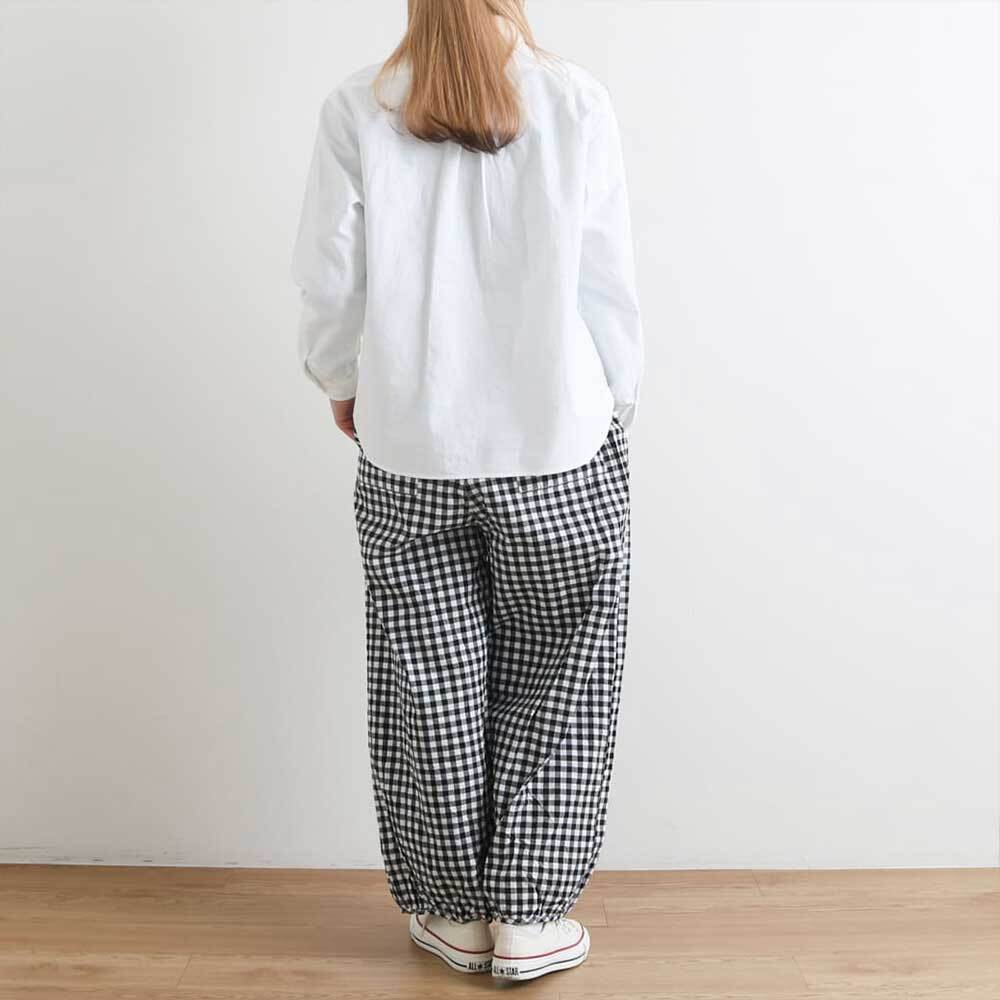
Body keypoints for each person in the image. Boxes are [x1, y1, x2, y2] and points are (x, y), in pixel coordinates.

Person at [291, 0, 642, 983]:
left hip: (411, 448)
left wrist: (340, 380)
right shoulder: (574, 100)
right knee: (561, 680)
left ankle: (451, 910)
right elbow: (607, 278)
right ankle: (529, 916)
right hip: (558, 446)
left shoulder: (357, 107)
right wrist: (618, 400)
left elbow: (328, 277)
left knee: (428, 682)